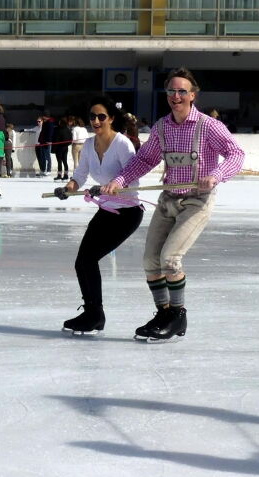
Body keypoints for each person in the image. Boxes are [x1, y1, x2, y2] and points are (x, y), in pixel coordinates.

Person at [101, 67, 245, 341]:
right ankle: (163, 313)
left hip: (196, 201)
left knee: (170, 259)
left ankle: (178, 316)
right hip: (168, 200)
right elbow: (145, 159)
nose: (176, 96)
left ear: (192, 95)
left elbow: (235, 153)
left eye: (182, 91)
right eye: (171, 91)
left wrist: (216, 175)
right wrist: (120, 180)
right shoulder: (162, 127)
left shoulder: (208, 126)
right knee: (150, 260)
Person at [53, 96, 144, 335]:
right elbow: (80, 175)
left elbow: (133, 179)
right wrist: (68, 188)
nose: (96, 121)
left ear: (111, 118)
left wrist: (111, 185)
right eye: (92, 116)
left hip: (127, 213)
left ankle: (94, 315)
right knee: (82, 262)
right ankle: (93, 314)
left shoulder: (122, 144)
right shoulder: (89, 145)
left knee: (88, 260)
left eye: (101, 116)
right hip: (106, 210)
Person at [52, 114, 73, 181]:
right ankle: (66, 175)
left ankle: (59, 175)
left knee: (59, 161)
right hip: (65, 147)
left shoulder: (58, 130)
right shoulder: (68, 129)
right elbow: (70, 139)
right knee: (65, 161)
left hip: (59, 148)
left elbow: (55, 139)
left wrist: (54, 148)